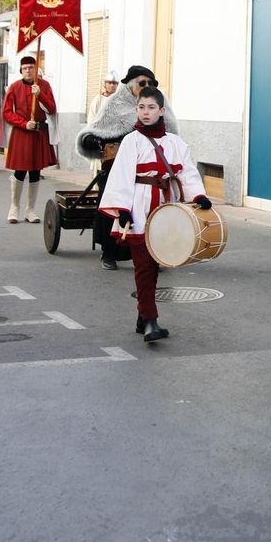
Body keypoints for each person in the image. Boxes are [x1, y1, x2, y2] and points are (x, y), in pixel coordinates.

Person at [98, 88, 211, 343]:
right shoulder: (131, 141)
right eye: (141, 107)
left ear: (161, 111)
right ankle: (150, 320)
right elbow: (121, 177)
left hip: (167, 210)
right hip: (139, 208)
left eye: (151, 107)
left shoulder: (176, 143)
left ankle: (142, 316)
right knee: (144, 265)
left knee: (156, 263)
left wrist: (198, 196)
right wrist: (123, 210)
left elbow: (188, 174)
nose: (145, 112)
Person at [82, 65, 179, 268]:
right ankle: (109, 252)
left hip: (149, 173)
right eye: (142, 83)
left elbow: (170, 136)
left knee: (152, 214)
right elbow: (96, 130)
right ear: (129, 85)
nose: (147, 87)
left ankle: (151, 254)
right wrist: (95, 141)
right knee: (113, 205)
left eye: (150, 84)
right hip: (118, 168)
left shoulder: (159, 103)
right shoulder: (114, 103)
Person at [3, 54, 57, 223]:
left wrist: (40, 94)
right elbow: (7, 112)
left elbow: (52, 108)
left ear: (35, 70)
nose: (28, 71)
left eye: (31, 68)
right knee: (19, 170)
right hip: (22, 132)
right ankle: (14, 208)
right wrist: (23, 123)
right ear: (21, 71)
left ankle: (30, 210)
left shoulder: (44, 86)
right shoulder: (14, 87)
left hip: (39, 133)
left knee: (35, 171)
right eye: (25, 68)